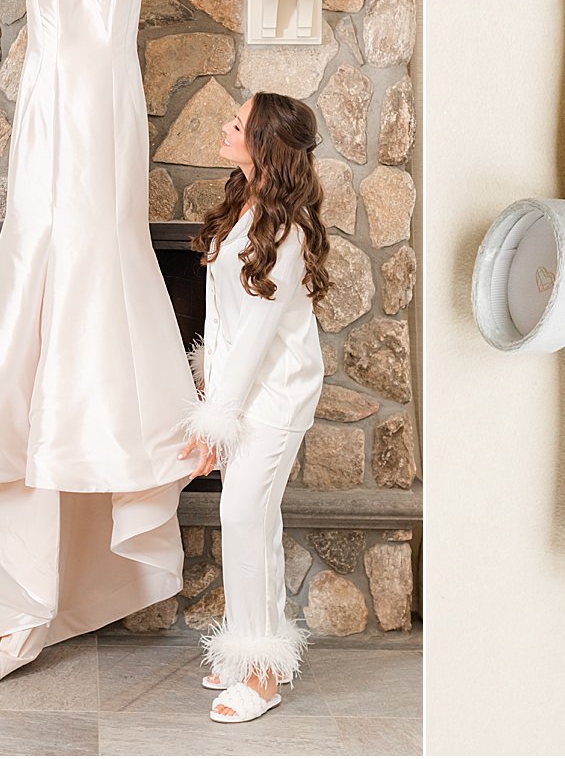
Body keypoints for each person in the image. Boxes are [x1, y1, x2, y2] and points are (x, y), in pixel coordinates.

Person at [178, 91, 331, 724]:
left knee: (244, 515)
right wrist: (211, 399)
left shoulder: (286, 233)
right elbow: (221, 325)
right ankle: (248, 654)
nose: (225, 125)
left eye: (236, 123)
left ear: (264, 142)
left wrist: (217, 424)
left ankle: (263, 675)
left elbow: (258, 338)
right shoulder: (241, 206)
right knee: (250, 521)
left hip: (277, 394)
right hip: (241, 390)